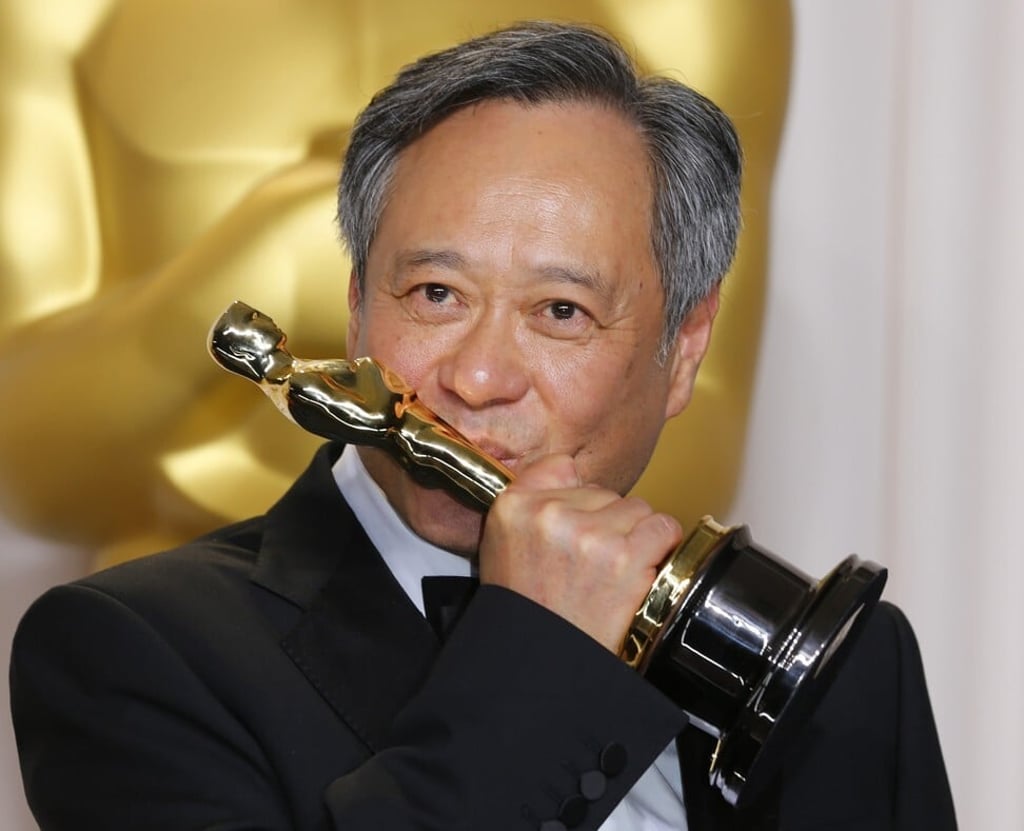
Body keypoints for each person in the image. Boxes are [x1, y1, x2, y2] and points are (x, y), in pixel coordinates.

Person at [9, 22, 956, 831]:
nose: (477, 376)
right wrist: (540, 657)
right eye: (434, 293)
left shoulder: (851, 672)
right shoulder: (130, 652)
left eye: (560, 312)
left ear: (684, 350)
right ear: (355, 306)